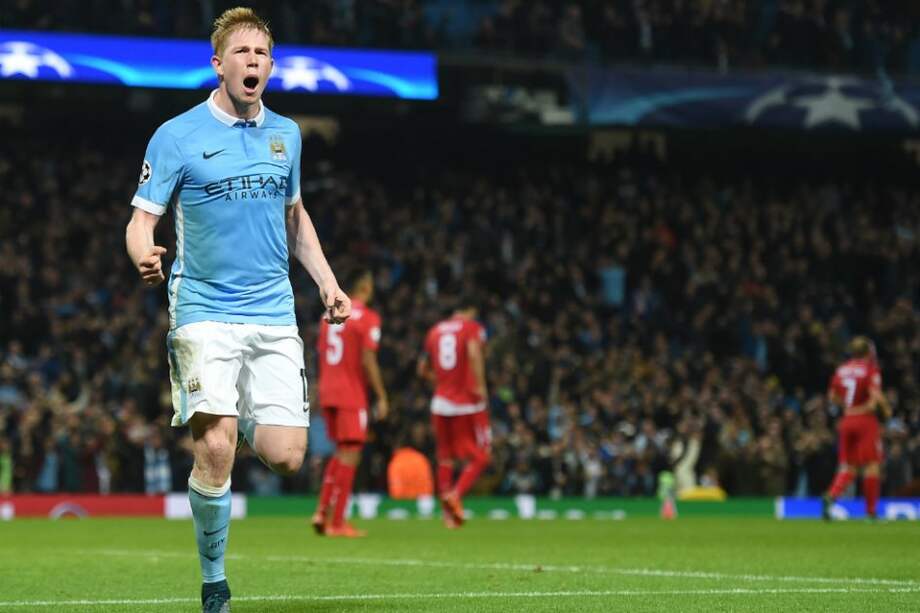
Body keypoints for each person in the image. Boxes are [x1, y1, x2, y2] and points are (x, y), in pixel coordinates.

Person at [124, 8, 350, 612]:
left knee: (286, 457)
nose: (253, 62)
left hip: (274, 312)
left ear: (271, 66)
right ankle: (215, 582)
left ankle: (237, 412)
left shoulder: (288, 135)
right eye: (242, 53)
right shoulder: (177, 136)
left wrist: (328, 285)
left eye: (262, 54)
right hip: (202, 307)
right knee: (217, 449)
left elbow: (296, 219)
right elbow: (141, 219)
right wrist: (144, 254)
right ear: (218, 63)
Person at [313, 269, 388, 537]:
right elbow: (368, 359)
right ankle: (338, 521)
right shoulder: (368, 318)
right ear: (365, 287)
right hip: (351, 393)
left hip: (328, 390)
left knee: (341, 451)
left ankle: (322, 511)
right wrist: (381, 395)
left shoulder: (328, 316)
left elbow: (321, 354)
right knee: (352, 454)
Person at [417, 297, 490, 529]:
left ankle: (448, 515)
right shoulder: (472, 328)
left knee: (445, 457)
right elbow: (474, 354)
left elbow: (422, 369)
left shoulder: (435, 331)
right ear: (471, 310)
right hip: (467, 403)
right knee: (481, 455)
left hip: (440, 403)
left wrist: (439, 382)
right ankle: (455, 495)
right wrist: (481, 388)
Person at [823, 337, 892, 521]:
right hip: (865, 421)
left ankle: (831, 494)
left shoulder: (841, 370)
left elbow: (831, 396)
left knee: (848, 465)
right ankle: (870, 511)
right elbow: (875, 397)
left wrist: (847, 407)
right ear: (868, 352)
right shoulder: (870, 370)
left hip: (846, 420)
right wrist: (885, 409)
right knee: (872, 465)